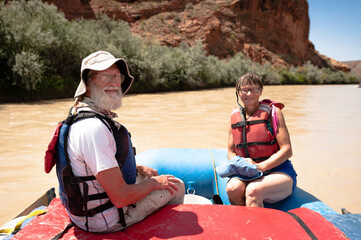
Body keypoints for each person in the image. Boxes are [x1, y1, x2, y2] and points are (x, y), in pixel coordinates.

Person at [51, 51, 185, 233]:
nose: (114, 82)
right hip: (105, 219)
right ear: (88, 84)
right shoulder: (93, 129)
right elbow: (121, 198)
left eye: (117, 76)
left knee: (151, 176)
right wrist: (155, 183)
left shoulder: (79, 114)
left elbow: (91, 167)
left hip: (85, 211)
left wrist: (137, 168)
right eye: (105, 75)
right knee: (175, 186)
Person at [226, 73, 297, 207]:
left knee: (253, 190)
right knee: (232, 189)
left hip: (277, 170)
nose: (249, 93)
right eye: (244, 89)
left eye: (254, 89)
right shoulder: (234, 116)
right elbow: (231, 151)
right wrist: (241, 164)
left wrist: (260, 167)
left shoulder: (273, 112)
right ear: (238, 92)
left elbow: (287, 150)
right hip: (247, 172)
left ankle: (256, 226)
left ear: (260, 92)